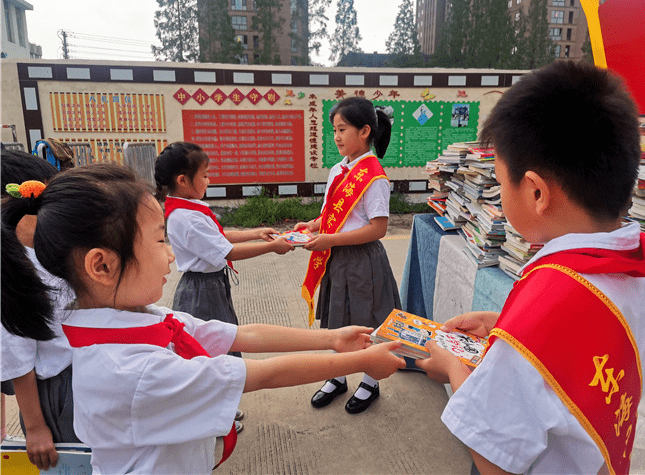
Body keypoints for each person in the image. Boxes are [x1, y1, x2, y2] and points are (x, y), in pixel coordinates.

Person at [1, 163, 406, 475]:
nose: (170, 255)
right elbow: (262, 375)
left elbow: (239, 334)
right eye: (161, 241)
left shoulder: (138, 317)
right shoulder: (129, 371)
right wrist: (359, 362)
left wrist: (331, 339)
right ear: (102, 266)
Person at [415, 61, 645, 474]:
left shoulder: (544, 307)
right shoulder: (637, 260)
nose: (500, 194)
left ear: (538, 191)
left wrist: (452, 366)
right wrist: (506, 326)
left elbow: (494, 459)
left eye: (503, 182)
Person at [155, 141, 294, 431]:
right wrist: (272, 248)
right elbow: (226, 252)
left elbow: (219, 238)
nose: (209, 179)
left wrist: (256, 233)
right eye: (204, 175)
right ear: (183, 180)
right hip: (201, 290)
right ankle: (210, 416)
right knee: (209, 351)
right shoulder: (186, 217)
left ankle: (219, 407)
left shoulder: (189, 209)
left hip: (211, 285)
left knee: (220, 342)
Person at [295, 97, 402, 414]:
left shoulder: (375, 176)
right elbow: (332, 212)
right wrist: (313, 225)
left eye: (343, 129)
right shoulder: (337, 170)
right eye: (334, 130)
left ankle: (370, 382)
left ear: (365, 131)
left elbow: (378, 228)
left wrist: (330, 238)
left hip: (362, 260)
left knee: (366, 321)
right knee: (336, 317)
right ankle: (337, 376)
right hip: (336, 258)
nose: (337, 137)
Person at [0, 149, 80, 471]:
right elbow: (16, 352)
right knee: (71, 462)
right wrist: (34, 426)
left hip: (83, 371)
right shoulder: (14, 267)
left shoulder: (55, 247)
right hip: (53, 390)